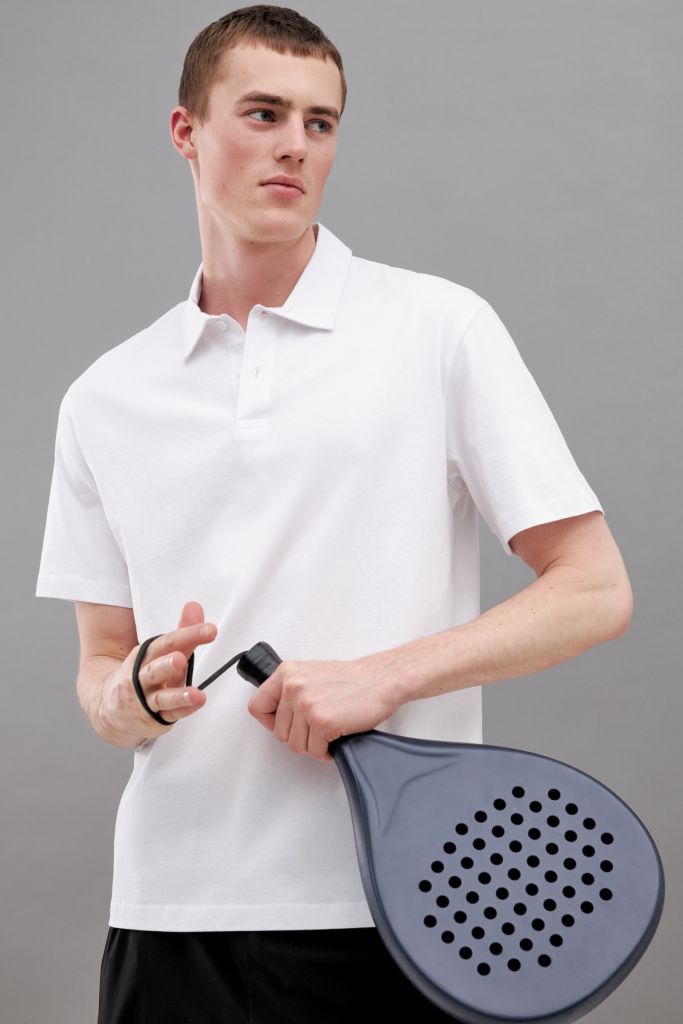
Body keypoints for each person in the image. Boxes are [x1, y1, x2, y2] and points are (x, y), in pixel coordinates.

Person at [35, 6, 633, 1022]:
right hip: (166, 918)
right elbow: (99, 664)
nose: (295, 145)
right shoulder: (104, 396)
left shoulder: (437, 329)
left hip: (400, 907)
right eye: (263, 113)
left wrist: (383, 675)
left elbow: (594, 589)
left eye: (319, 122)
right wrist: (126, 697)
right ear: (185, 132)